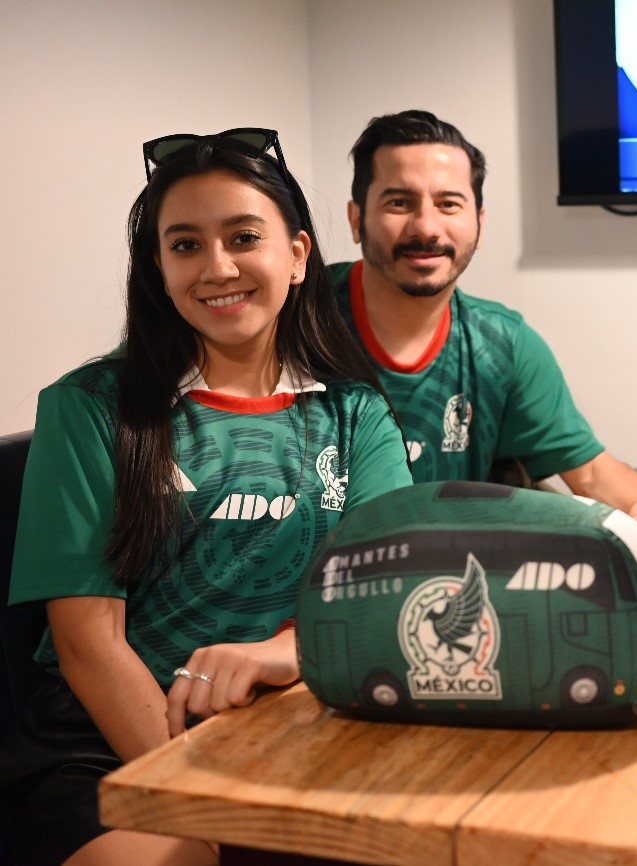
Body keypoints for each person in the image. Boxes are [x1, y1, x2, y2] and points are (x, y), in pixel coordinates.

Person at [0, 129, 413, 866]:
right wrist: (203, 801)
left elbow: (381, 596)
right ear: (158, 269)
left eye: (243, 236)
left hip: (302, 724)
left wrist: (288, 651)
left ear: (296, 255)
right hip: (111, 743)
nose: (217, 267)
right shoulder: (91, 408)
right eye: (185, 245)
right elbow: (87, 644)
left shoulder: (358, 414)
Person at [332, 110, 637, 518]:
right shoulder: (296, 319)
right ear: (356, 219)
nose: (426, 227)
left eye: (449, 204)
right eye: (399, 202)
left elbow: (590, 472)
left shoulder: (503, 346)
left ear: (479, 225)